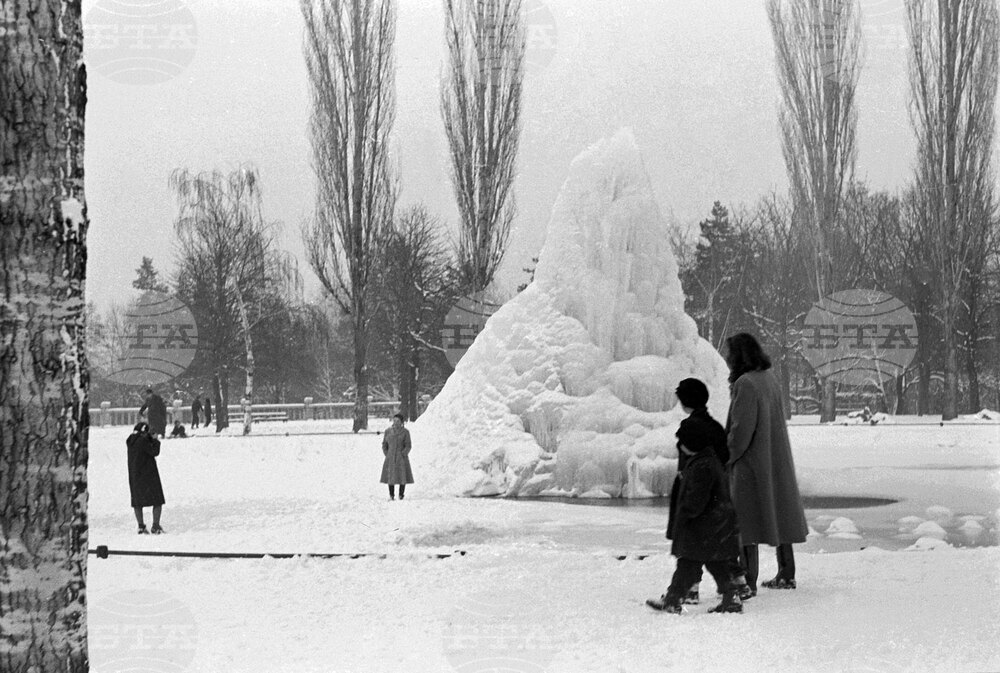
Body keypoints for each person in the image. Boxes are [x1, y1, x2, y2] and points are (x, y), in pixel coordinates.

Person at [647, 378, 744, 614]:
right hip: (716, 519)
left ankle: (677, 598)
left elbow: (696, 497)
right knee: (714, 562)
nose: (680, 447)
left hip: (701, 521)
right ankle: (731, 595)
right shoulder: (712, 433)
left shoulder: (697, 451)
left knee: (689, 562)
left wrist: (686, 513)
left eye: (683, 444)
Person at [724, 332, 809, 593]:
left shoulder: (745, 383)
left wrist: (727, 456)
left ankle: (746, 580)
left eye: (729, 353)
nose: (726, 358)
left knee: (746, 522)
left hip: (752, 464)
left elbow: (741, 431)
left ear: (739, 356)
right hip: (774, 457)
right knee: (778, 512)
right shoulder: (769, 378)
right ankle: (786, 572)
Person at [127, 422, 166, 534]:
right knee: (158, 500)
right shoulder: (143, 441)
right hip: (149, 475)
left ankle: (141, 526)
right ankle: (156, 525)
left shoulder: (131, 441)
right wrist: (155, 440)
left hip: (135, 475)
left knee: (137, 502)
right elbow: (154, 452)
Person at [381, 413, 413, 501]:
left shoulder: (405, 432)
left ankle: (401, 494)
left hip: (401, 457)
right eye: (394, 421)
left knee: (402, 475)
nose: (396, 423)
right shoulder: (388, 431)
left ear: (402, 422)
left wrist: (403, 454)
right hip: (390, 457)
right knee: (390, 476)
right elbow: (384, 444)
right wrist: (386, 453)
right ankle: (391, 494)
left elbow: (408, 445)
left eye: (398, 421)